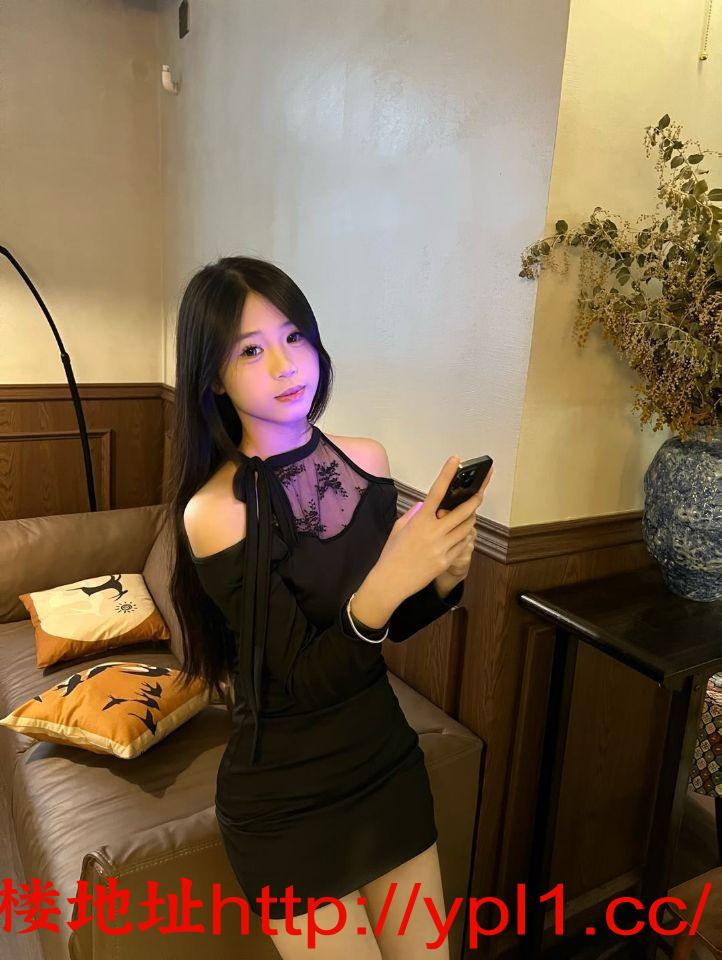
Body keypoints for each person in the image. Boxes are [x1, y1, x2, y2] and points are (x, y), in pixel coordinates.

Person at [167, 256, 492, 959]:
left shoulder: (367, 461)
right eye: (250, 351)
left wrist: (443, 577)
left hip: (383, 764)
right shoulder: (215, 513)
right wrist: (390, 578)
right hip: (285, 798)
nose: (285, 365)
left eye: (294, 337)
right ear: (213, 378)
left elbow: (384, 628)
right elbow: (303, 678)